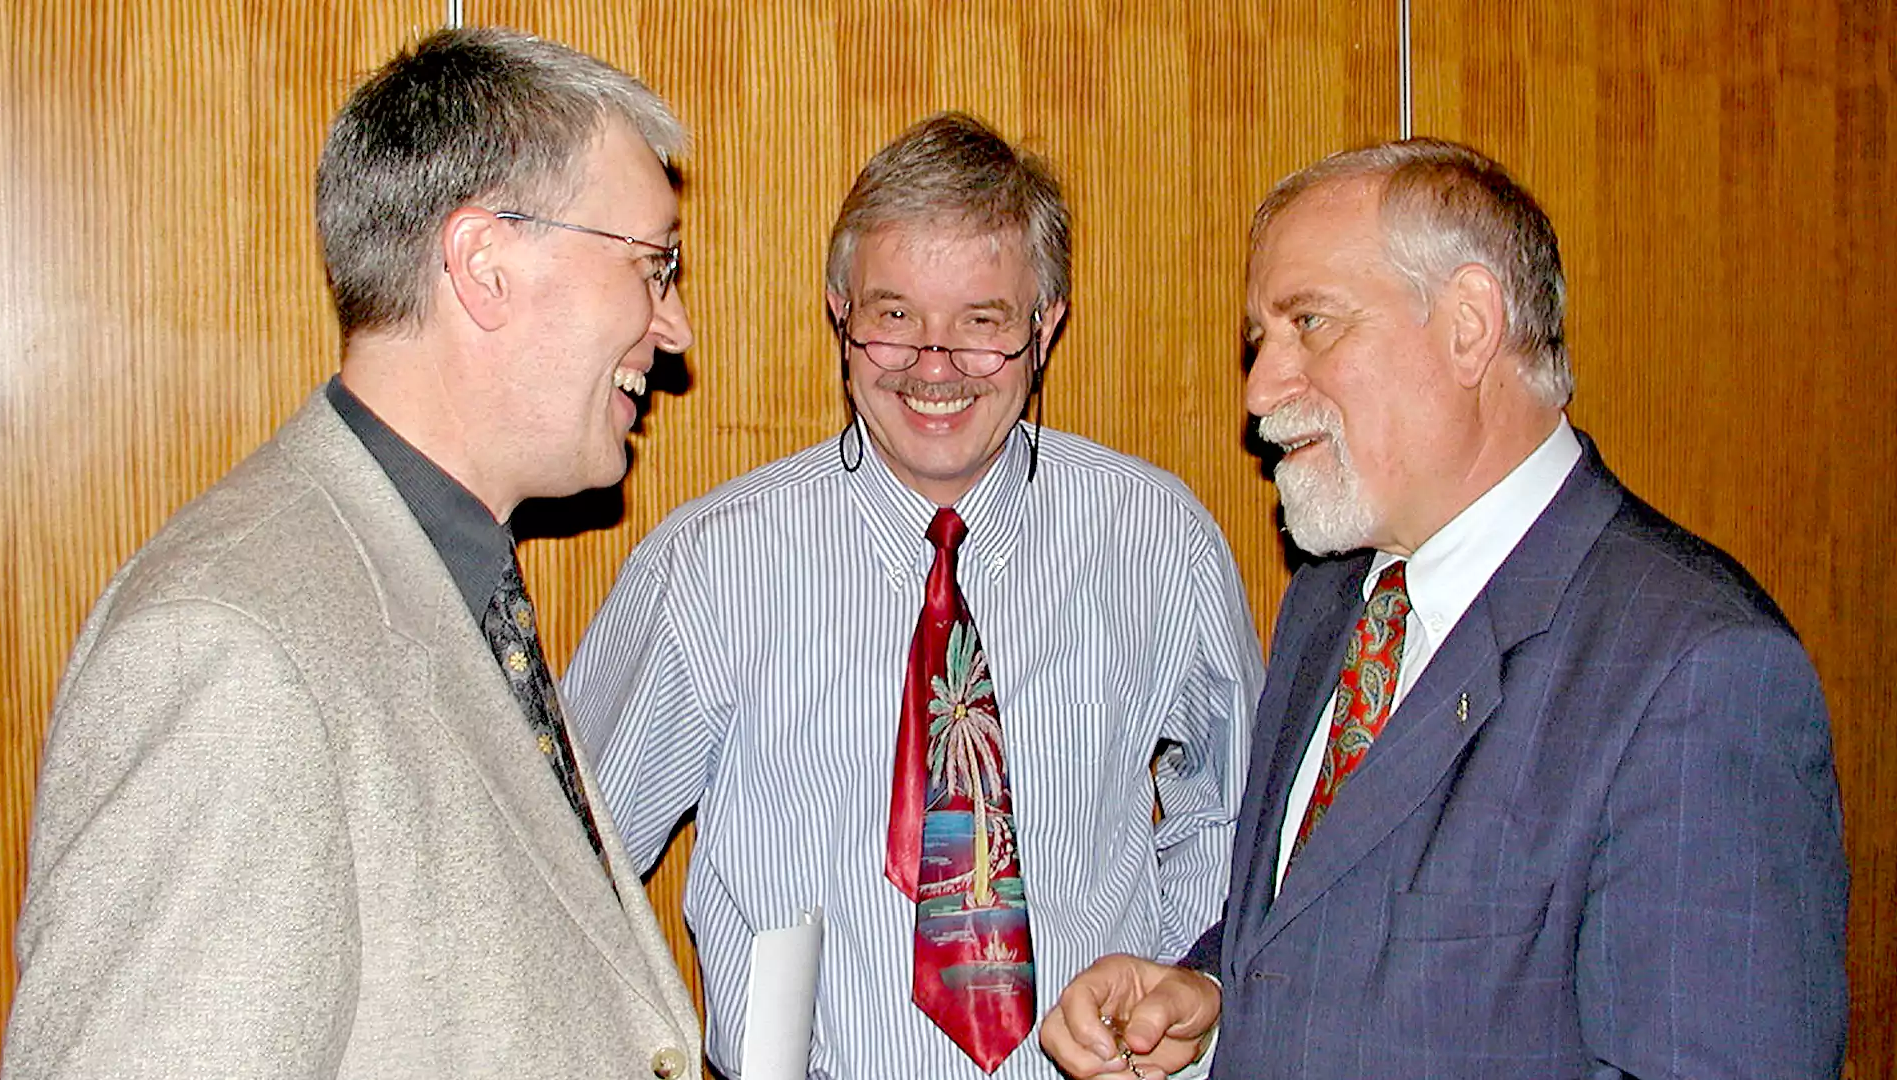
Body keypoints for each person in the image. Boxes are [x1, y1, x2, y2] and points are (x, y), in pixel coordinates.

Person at [1042, 136, 1851, 1080]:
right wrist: (1213, 998)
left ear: (1470, 324)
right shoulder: (1330, 603)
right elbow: (1337, 930)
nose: (1261, 390)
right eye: (1262, 341)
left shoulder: (1695, 673)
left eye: (1312, 323)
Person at [4, 27, 702, 1080]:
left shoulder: (435, 580)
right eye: (653, 266)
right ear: (484, 264)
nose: (676, 325)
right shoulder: (232, 650)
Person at [562, 112, 1265, 1078]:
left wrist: (1176, 986)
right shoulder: (710, 570)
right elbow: (564, 869)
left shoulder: (1158, 543)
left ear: (1044, 326)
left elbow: (1237, 814)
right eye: (894, 316)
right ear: (839, 313)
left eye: (982, 323)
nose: (934, 366)